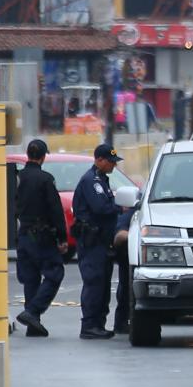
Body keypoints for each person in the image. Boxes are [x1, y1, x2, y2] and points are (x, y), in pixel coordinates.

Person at [13, 138, 67, 337]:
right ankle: (33, 312)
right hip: (41, 236)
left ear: (28, 155)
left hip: (23, 235)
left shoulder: (17, 178)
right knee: (55, 273)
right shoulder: (45, 179)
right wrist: (62, 237)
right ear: (43, 157)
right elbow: (55, 210)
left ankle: (32, 325)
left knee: (30, 279)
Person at [71, 144, 123, 340]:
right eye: (111, 162)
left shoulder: (101, 180)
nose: (113, 166)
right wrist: (120, 208)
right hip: (92, 241)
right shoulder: (91, 181)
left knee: (102, 282)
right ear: (99, 160)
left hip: (102, 241)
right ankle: (90, 325)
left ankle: (98, 323)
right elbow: (101, 207)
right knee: (94, 282)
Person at [110, 184, 139, 336]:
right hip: (133, 260)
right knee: (127, 289)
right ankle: (121, 323)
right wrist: (138, 238)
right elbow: (119, 236)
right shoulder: (137, 213)